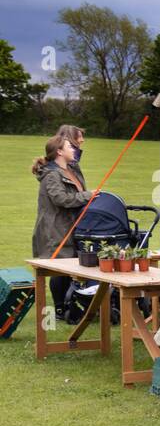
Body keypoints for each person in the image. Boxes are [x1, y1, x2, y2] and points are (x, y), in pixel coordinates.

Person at [31, 134, 91, 314]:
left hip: (70, 226)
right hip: (54, 229)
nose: (74, 149)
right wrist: (89, 195)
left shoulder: (70, 171)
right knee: (59, 268)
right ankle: (59, 309)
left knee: (68, 267)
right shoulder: (51, 175)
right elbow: (62, 199)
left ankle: (68, 305)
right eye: (69, 147)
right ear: (59, 151)